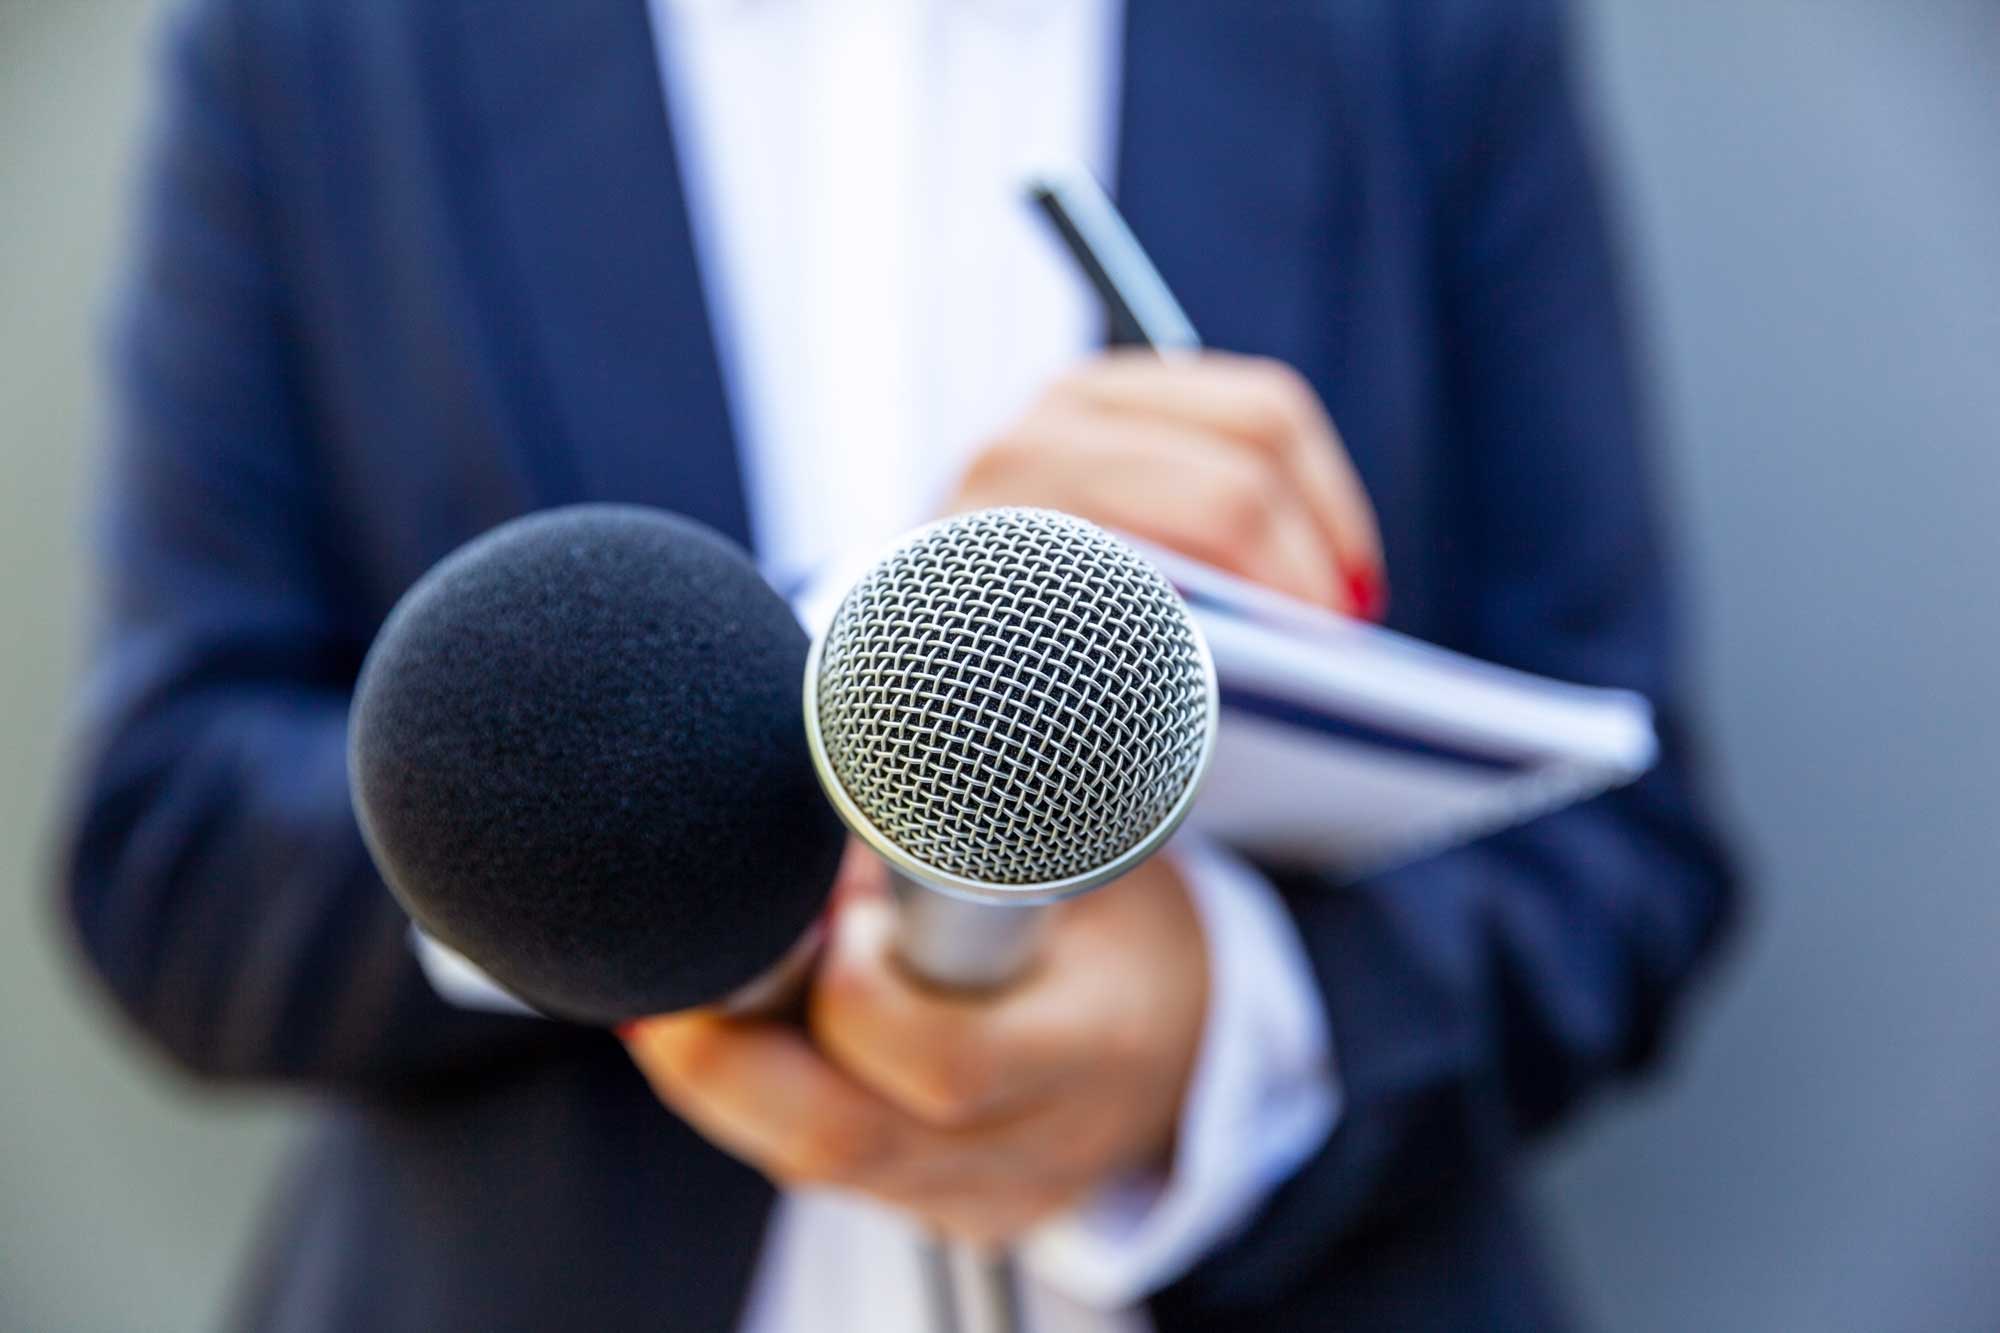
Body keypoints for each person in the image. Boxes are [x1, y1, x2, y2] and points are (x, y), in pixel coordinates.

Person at [56, 0, 1737, 1329]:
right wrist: (761, 727)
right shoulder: (312, 43)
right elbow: (174, 857)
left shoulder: (1424, 29)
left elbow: (1624, 842)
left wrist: (1228, 1027)